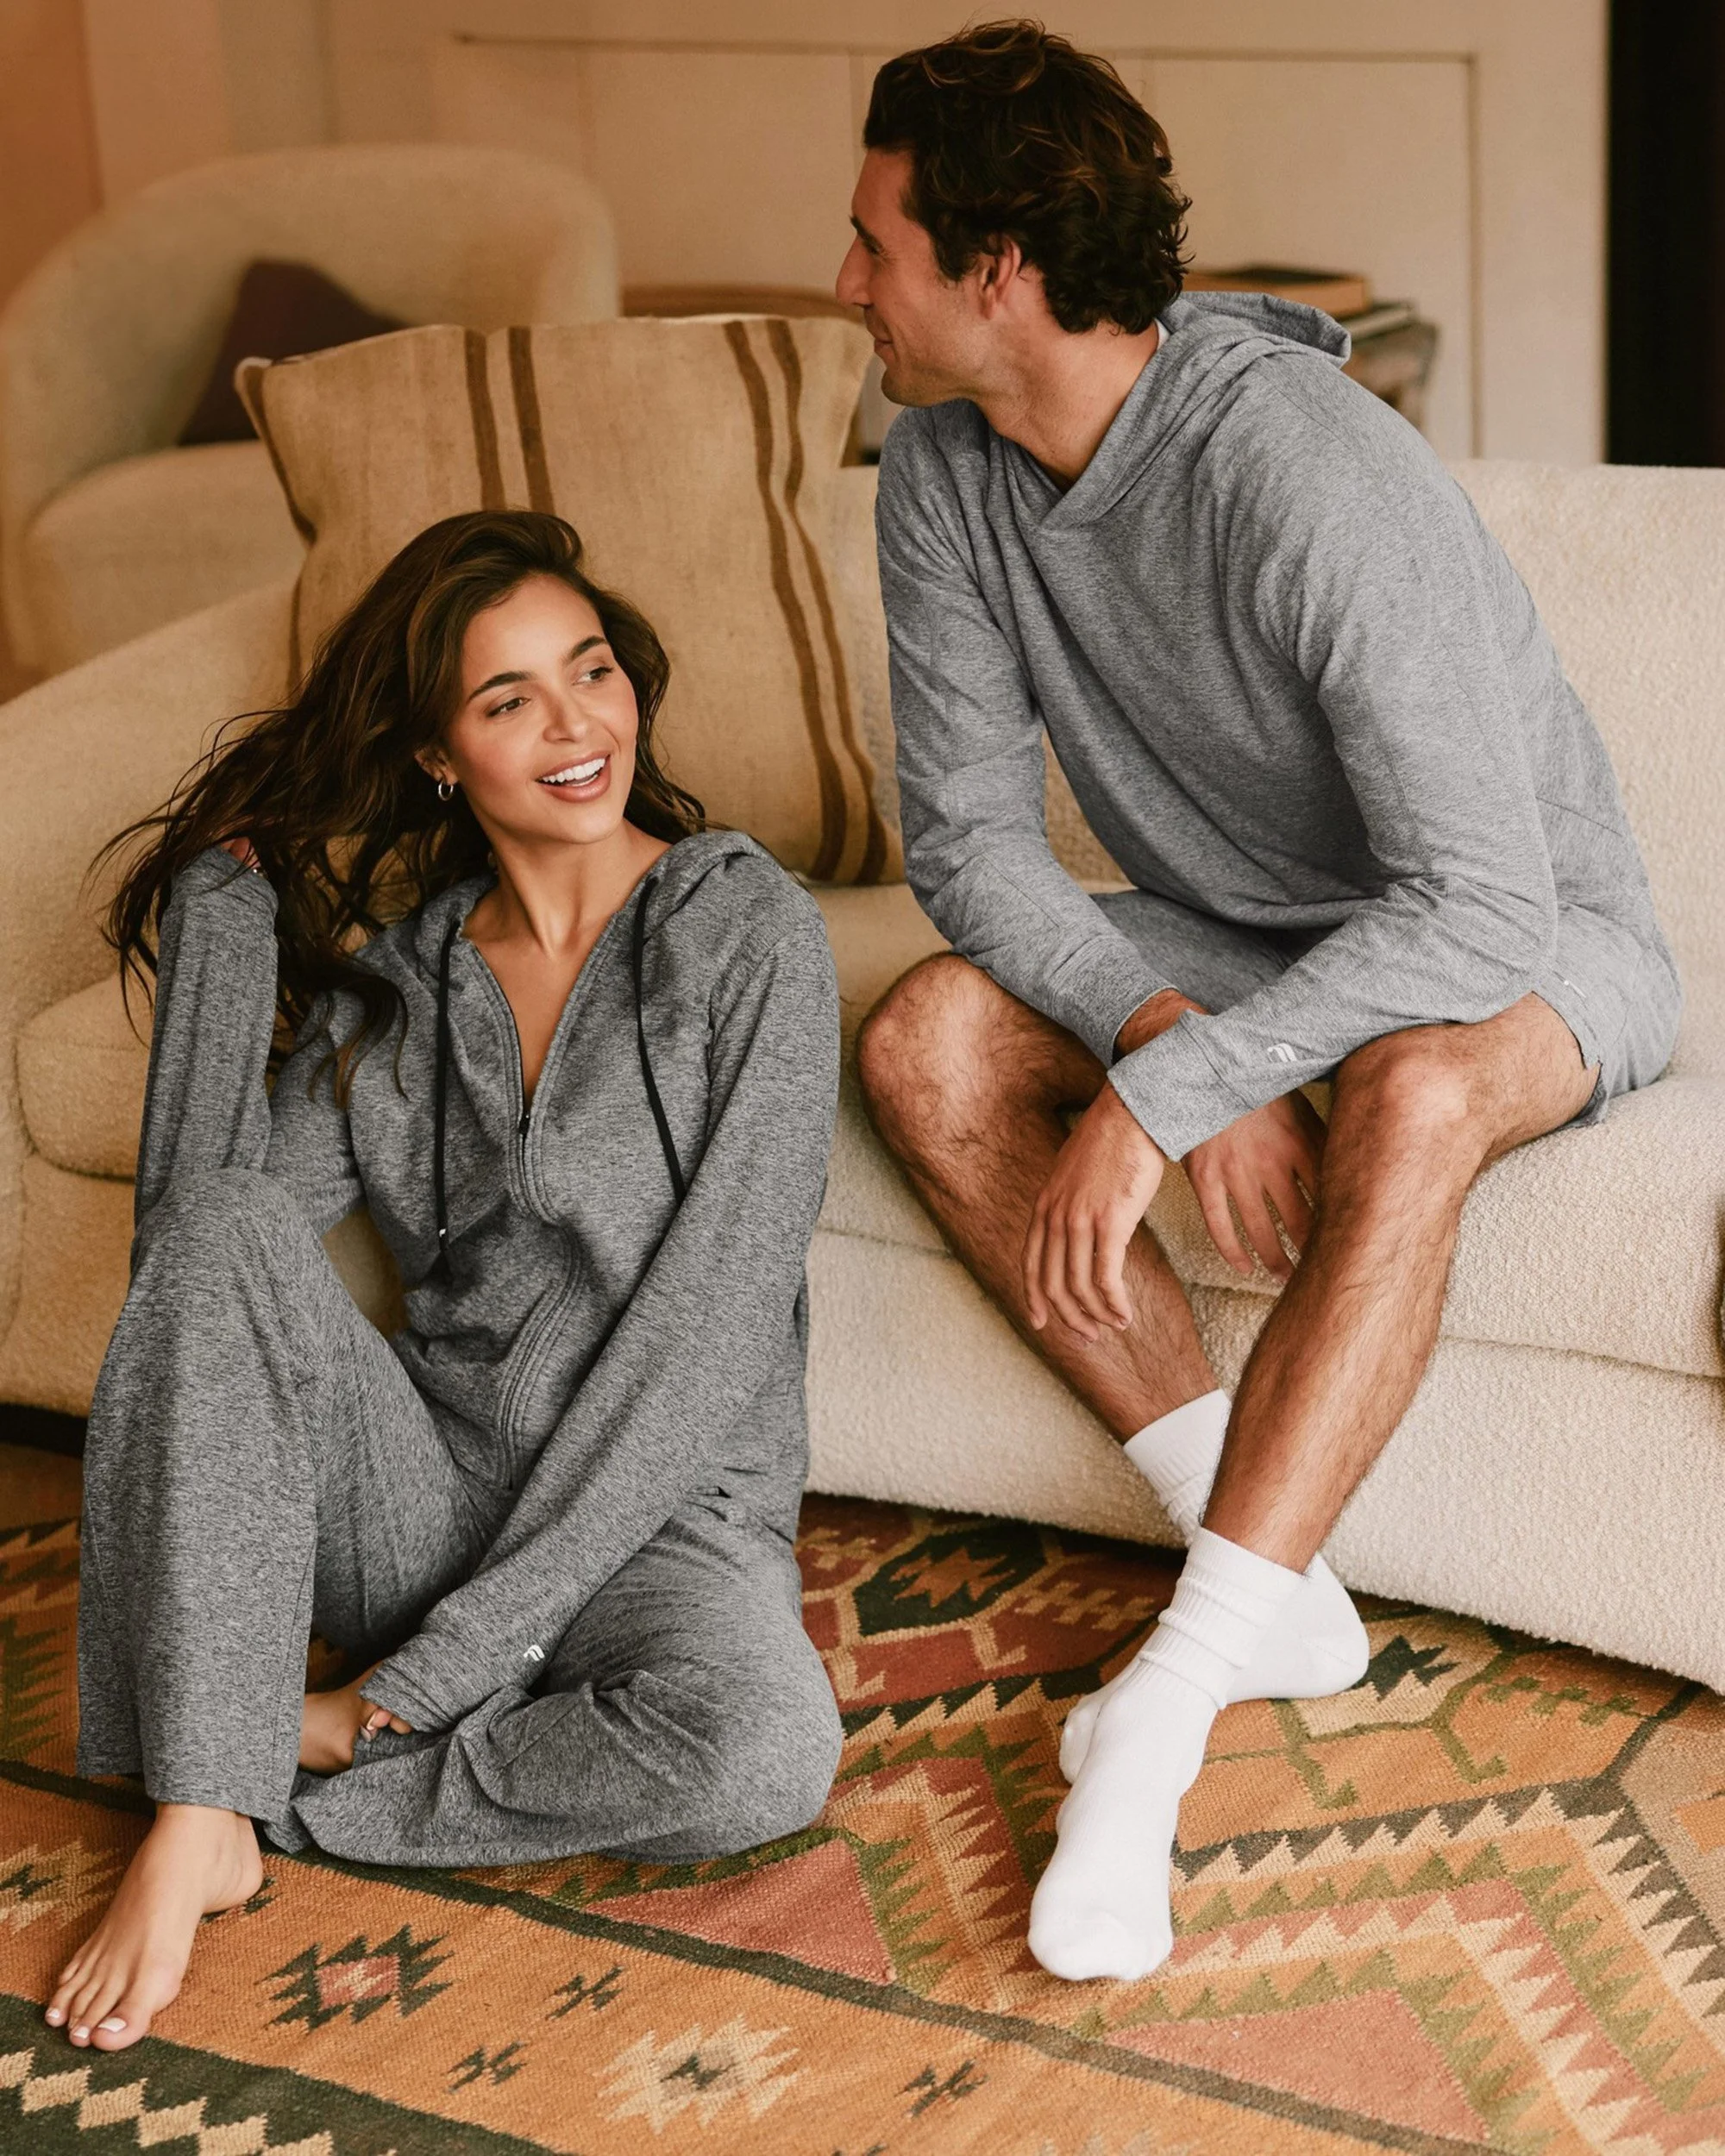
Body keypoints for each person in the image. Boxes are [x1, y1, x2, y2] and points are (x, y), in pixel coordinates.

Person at [837, 23, 1679, 1984]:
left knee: (1405, 1091)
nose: (846, 278)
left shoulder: (1304, 468)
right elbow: (966, 850)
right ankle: (1272, 1574)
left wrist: (1179, 1088)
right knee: (925, 1037)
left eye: (876, 240)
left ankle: (1169, 1697)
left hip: (1539, 936)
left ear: (996, 272)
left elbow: (1472, 907)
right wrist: (1157, 1047)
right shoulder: (939, 474)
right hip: (1249, 930)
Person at [46, 510, 843, 2051]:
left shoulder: (740, 931)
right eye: (509, 701)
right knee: (225, 1233)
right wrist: (221, 925)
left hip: (665, 1524)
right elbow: (204, 1281)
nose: (575, 725)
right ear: (435, 754)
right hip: (428, 1487)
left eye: (591, 670)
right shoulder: (402, 987)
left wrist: (409, 1692)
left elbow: (706, 1333)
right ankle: (206, 1807)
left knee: (760, 1754)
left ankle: (277, 1766)